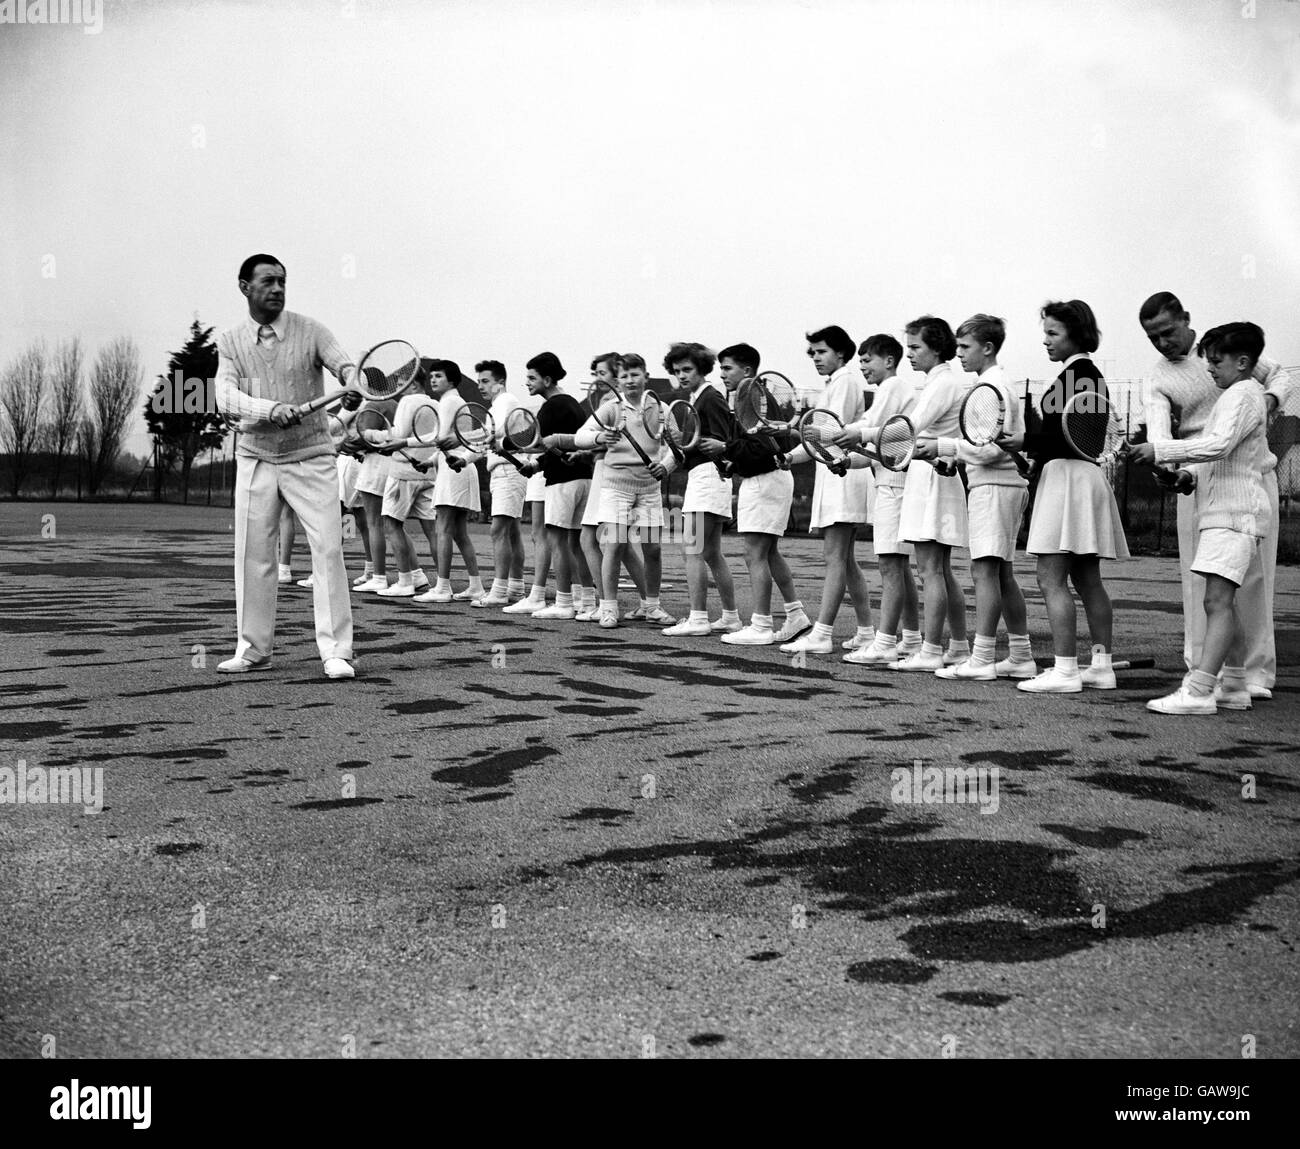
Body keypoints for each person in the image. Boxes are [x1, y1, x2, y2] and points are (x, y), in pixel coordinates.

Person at [1139, 291, 1294, 699]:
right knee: (1201, 578)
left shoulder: (1225, 350)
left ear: (1185, 318)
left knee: (1253, 577)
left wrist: (1266, 401)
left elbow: (1280, 376)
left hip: (1248, 471)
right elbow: (1158, 430)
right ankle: (1206, 669)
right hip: (1196, 470)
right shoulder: (1156, 376)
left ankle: (1255, 674)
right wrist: (1168, 466)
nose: (1162, 343)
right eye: (1152, 336)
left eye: (1168, 331)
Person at [213, 253, 359, 679]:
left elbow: (345, 366)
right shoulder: (230, 341)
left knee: (328, 549)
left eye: (282, 281)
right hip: (256, 456)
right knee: (253, 554)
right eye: (268, 282)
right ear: (245, 287)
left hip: (311, 455)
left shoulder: (311, 330)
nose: (277, 288)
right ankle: (254, 649)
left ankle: (337, 651)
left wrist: (351, 383)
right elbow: (224, 396)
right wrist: (268, 409)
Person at [997, 299, 1129, 693]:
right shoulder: (1086, 375)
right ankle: (1101, 666)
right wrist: (1033, 456)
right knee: (1088, 578)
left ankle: (1067, 669)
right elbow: (1072, 434)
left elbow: (1061, 436)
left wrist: (1026, 440)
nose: (1046, 341)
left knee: (1050, 577)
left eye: (1053, 333)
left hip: (1069, 480)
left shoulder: (1078, 376)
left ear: (1075, 333)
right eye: (1045, 334)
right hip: (1080, 476)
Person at [915, 314, 1034, 679]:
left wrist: (942, 445)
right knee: (1001, 574)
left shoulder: (992, 386)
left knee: (984, 571)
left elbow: (988, 451)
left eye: (966, 347)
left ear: (988, 348)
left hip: (997, 487)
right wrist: (951, 459)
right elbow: (983, 449)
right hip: (998, 484)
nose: (959, 353)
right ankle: (1020, 655)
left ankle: (982, 658)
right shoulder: (990, 383)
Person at [780, 325, 875, 656]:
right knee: (846, 560)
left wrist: (798, 429)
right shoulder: (835, 383)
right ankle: (866, 632)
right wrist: (790, 456)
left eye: (821, 352)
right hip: (837, 475)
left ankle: (821, 634)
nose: (816, 358)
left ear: (840, 353)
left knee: (835, 557)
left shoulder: (847, 381)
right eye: (813, 353)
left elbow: (835, 432)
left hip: (846, 476)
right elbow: (817, 438)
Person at [710, 342, 810, 645]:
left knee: (754, 553)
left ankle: (762, 625)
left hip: (767, 480)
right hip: (769, 478)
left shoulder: (750, 394)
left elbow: (763, 446)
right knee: (767, 552)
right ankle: (795, 615)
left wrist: (725, 449)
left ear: (747, 370)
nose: (722, 374)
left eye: (727, 368)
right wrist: (732, 460)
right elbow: (757, 447)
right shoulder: (753, 394)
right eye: (721, 368)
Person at [567, 354, 674, 628]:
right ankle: (608, 609)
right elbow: (580, 436)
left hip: (650, 488)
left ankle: (651, 607)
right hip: (616, 488)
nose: (630, 380)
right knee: (613, 545)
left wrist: (666, 466)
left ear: (646, 376)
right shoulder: (611, 409)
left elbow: (676, 446)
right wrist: (599, 438)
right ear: (618, 380)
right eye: (624, 376)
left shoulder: (662, 409)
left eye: (635, 374)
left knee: (653, 549)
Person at [835, 334, 921, 665]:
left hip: (896, 486)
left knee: (891, 565)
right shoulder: (888, 390)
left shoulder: (894, 386)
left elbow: (870, 429)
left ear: (888, 360)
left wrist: (838, 434)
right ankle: (911, 638)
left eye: (867, 360)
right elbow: (871, 449)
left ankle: (884, 642)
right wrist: (845, 459)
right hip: (890, 482)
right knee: (898, 566)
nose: (863, 367)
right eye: (861, 362)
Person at [662, 342, 742, 636]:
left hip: (710, 477)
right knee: (710, 552)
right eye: (677, 370)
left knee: (692, 549)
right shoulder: (697, 398)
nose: (681, 375)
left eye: (687, 369)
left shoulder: (710, 398)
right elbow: (688, 446)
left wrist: (713, 452)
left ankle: (697, 619)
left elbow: (721, 441)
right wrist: (667, 465)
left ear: (701, 369)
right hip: (707, 478)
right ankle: (731, 617)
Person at [516, 352, 593, 620]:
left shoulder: (550, 407)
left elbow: (545, 444)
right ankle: (588, 600)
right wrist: (536, 465)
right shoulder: (573, 403)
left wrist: (533, 460)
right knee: (577, 543)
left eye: (532, 377)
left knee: (557, 541)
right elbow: (556, 447)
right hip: (585, 479)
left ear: (547, 380)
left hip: (563, 482)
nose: (527, 382)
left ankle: (563, 603)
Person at [415, 359, 485, 603]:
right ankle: (475, 586)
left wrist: (401, 442)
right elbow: (446, 441)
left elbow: (438, 437)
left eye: (439, 376)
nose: (433, 380)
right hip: (457, 468)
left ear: (452, 381)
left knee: (443, 528)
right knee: (458, 533)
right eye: (431, 376)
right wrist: (430, 461)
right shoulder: (453, 401)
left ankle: (442, 588)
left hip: (457, 470)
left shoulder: (450, 401)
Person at [471, 360, 528, 608]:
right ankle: (516, 588)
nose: (480, 386)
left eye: (485, 381)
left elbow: (490, 435)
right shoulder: (494, 407)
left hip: (509, 471)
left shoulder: (507, 401)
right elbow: (486, 445)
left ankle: (499, 590)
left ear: (500, 382)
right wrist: (462, 459)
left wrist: (453, 439)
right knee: (512, 532)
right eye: (479, 382)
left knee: (498, 531)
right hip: (501, 472)